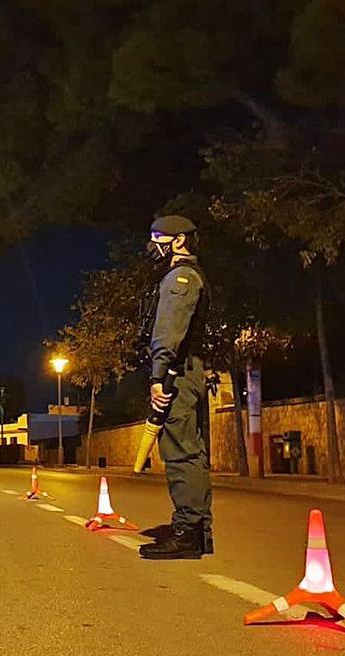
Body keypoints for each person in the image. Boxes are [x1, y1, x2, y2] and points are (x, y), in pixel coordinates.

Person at [137, 214, 213, 560]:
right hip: (186, 370)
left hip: (177, 374)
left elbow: (168, 333)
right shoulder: (189, 276)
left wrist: (158, 376)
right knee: (191, 452)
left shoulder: (179, 278)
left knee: (181, 453)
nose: (153, 244)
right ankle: (198, 533)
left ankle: (186, 534)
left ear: (179, 240)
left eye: (158, 236)